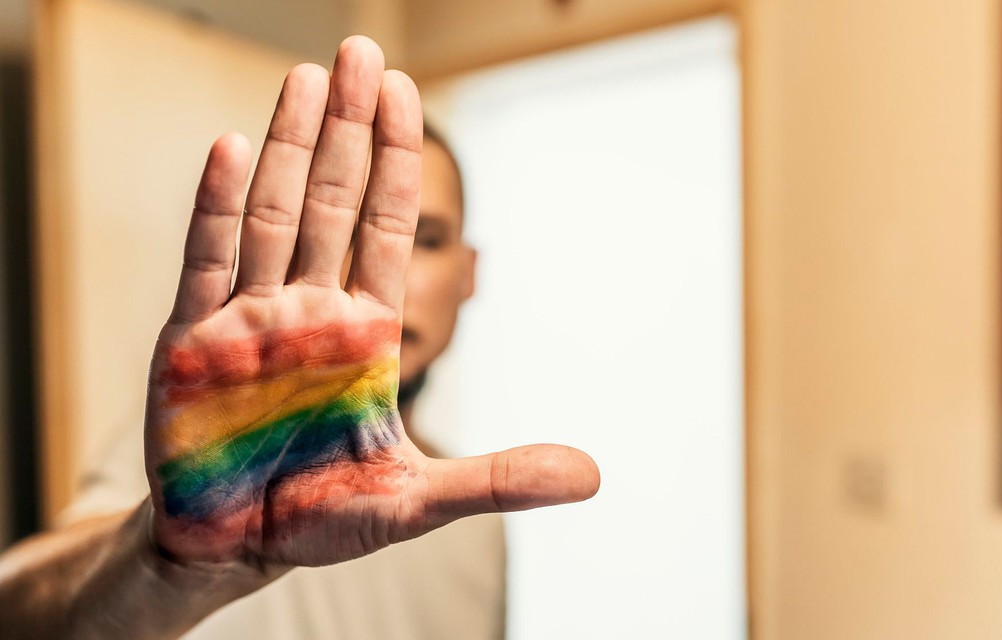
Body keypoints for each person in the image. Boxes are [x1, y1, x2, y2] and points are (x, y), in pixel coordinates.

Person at [0, 36, 600, 639]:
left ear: (468, 275)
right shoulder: (215, 449)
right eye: (348, 234)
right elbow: (16, 606)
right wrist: (165, 565)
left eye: (429, 238)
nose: (377, 271)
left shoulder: (474, 524)